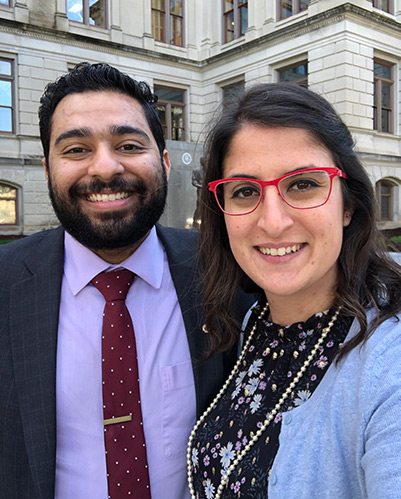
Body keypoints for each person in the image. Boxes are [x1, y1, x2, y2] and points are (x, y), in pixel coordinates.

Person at [0, 62, 253, 499]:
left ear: (165, 161)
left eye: (129, 144)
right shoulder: (6, 284)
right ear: (46, 169)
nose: (105, 168)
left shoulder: (227, 269)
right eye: (76, 149)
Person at [187, 83, 401, 498]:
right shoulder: (253, 322)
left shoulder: (388, 359)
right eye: (245, 191)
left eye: (302, 184)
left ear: (349, 204)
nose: (273, 222)